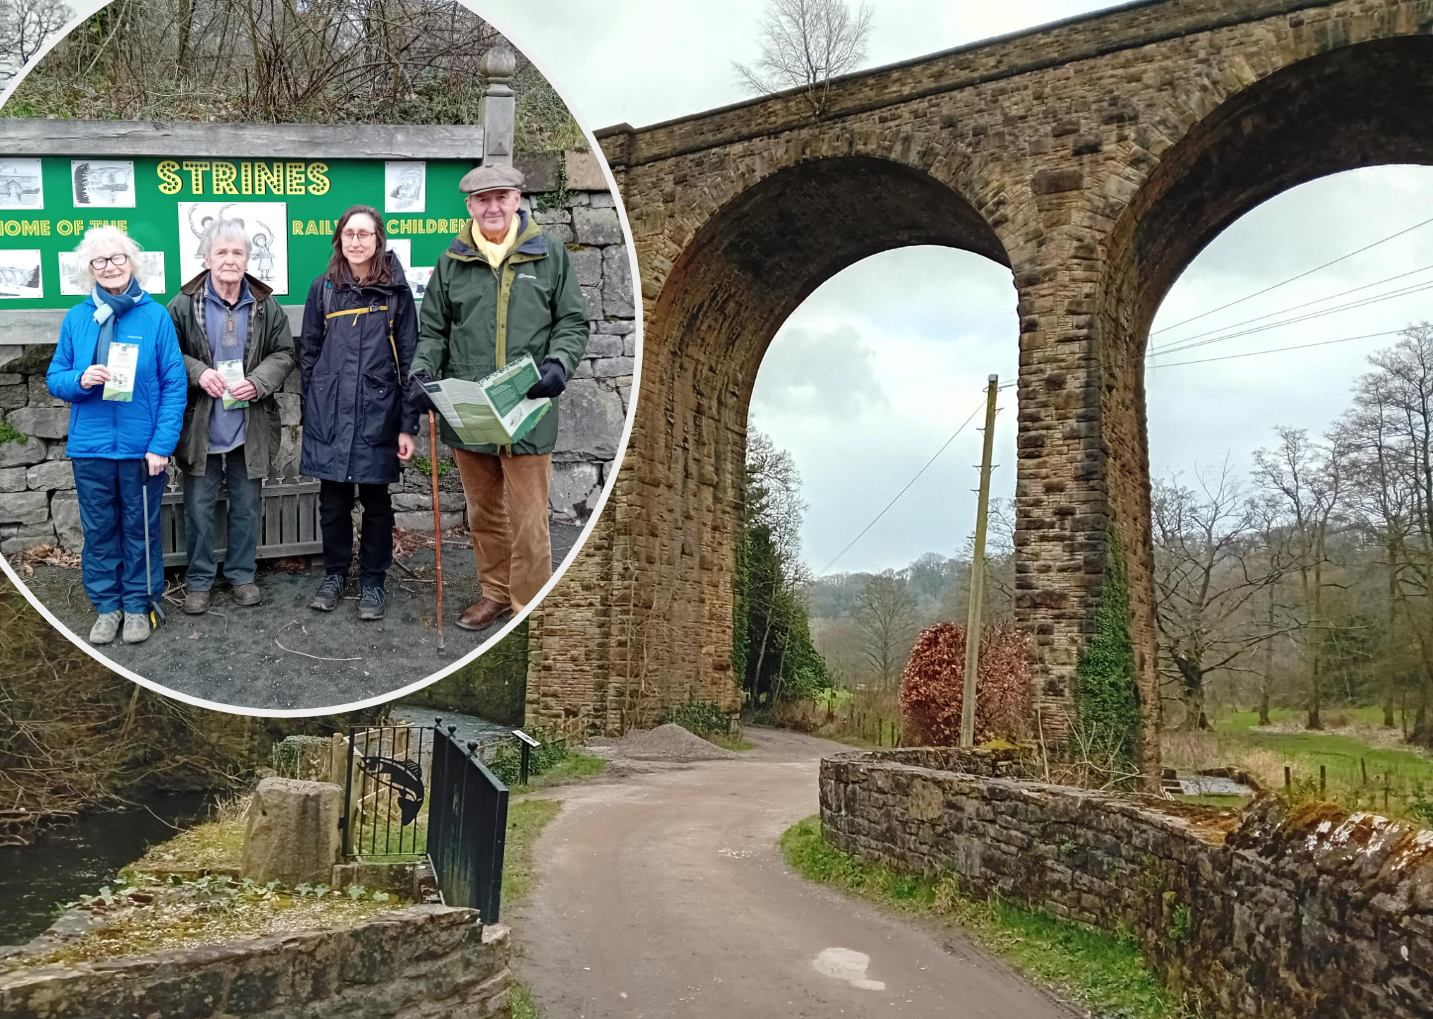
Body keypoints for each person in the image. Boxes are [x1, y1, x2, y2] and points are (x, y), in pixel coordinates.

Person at [409, 164, 589, 630]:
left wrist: (558, 365)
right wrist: (423, 370)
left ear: (517, 198)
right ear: (469, 205)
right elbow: (433, 329)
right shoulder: (452, 260)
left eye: (501, 197)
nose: (492, 207)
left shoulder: (549, 253)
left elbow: (571, 321)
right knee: (482, 511)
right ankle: (495, 593)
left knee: (530, 520)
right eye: (482, 199)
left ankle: (529, 605)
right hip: (469, 408)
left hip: (528, 406)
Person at [46, 226, 186, 645]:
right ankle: (107, 607)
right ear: (90, 270)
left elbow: (174, 385)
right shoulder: (76, 318)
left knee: (141, 530)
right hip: (91, 448)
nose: (110, 267)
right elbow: (56, 379)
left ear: (132, 263)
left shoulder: (155, 316)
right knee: (100, 531)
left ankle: (139, 606)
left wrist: (161, 445)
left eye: (117, 258)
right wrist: (80, 377)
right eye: (99, 261)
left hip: (142, 451)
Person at [168, 218, 297, 614]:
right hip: (200, 427)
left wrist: (258, 381)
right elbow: (168, 355)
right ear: (205, 257)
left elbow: (285, 353)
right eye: (221, 252)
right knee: (198, 509)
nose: (229, 259)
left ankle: (242, 575)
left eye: (237, 252)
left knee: (245, 506)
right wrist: (198, 371)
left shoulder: (266, 304)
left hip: (250, 425)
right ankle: (200, 581)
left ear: (247, 258)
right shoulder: (182, 305)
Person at [298, 206, 418, 620]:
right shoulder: (324, 289)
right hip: (329, 415)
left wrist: (408, 424)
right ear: (339, 239)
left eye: (364, 234)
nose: (356, 241)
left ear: (378, 240)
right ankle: (334, 574)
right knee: (331, 504)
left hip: (377, 416)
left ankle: (372, 581)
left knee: (376, 504)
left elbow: (410, 359)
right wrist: (310, 411)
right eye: (349, 233)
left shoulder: (396, 294)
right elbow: (309, 355)